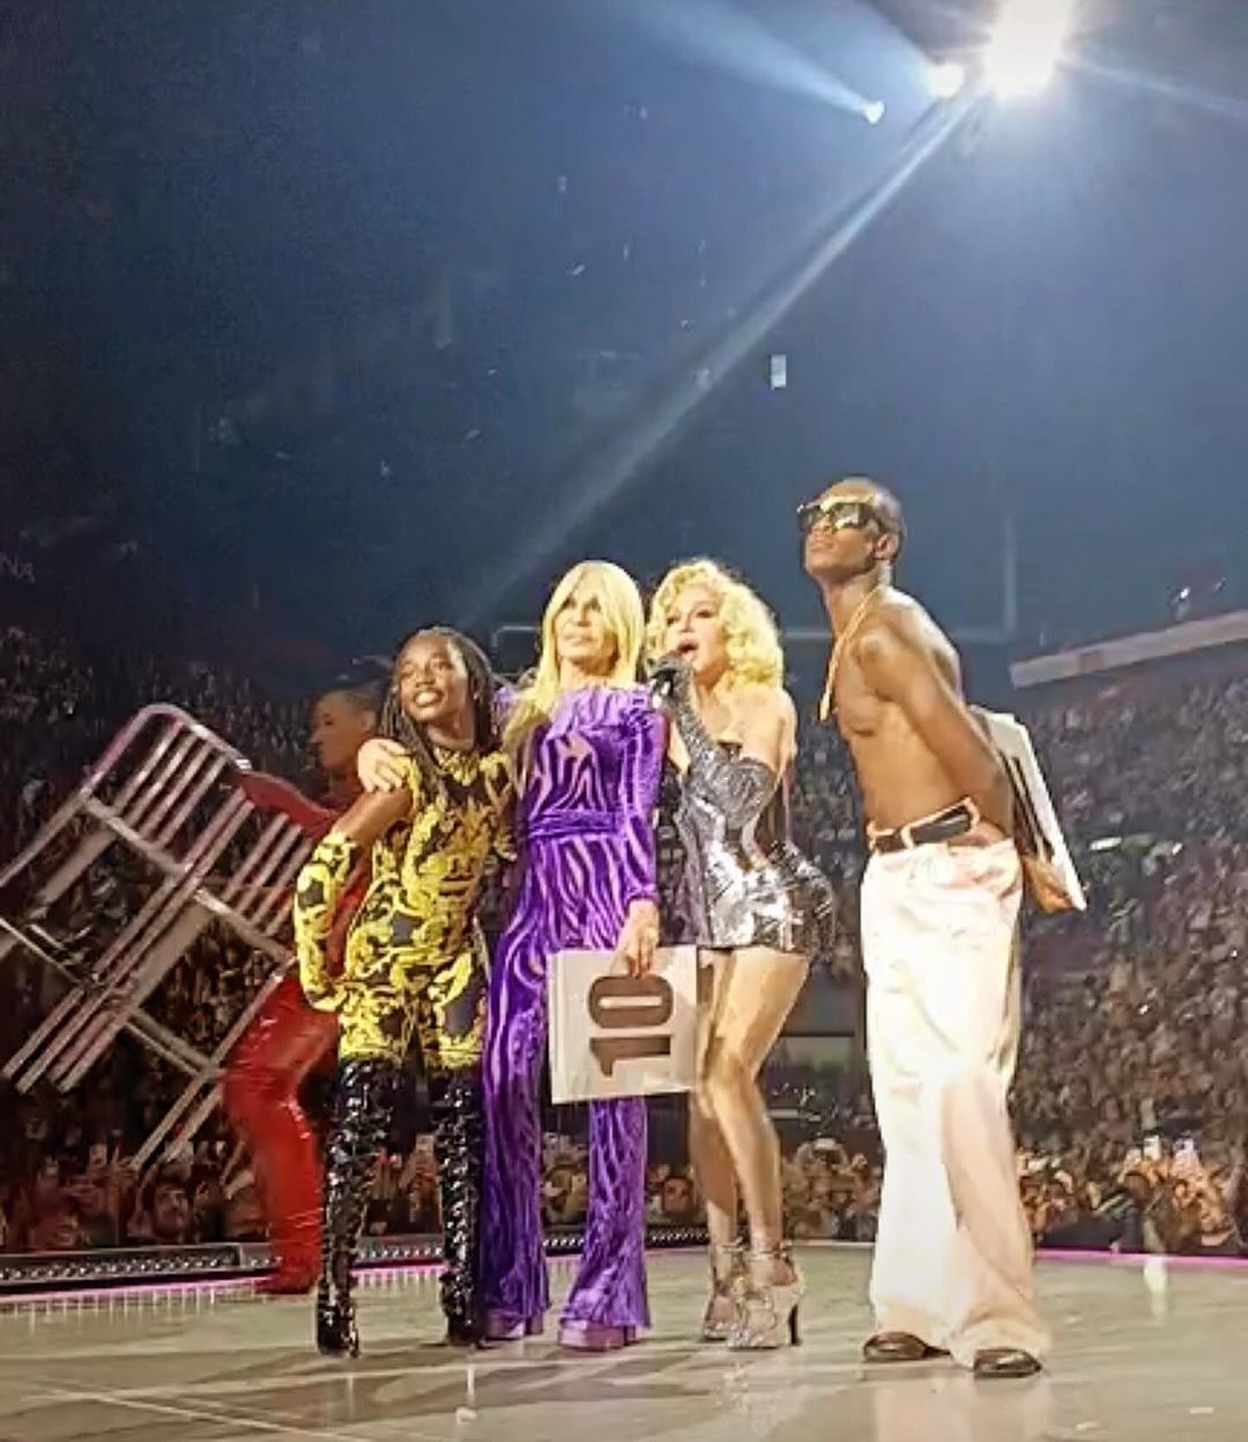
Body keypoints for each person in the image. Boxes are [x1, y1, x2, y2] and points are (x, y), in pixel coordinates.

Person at [359, 560, 665, 1351]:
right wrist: (375, 750)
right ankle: (511, 1280)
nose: (578, 619)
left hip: (607, 890)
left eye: (595, 608)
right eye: (568, 605)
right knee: (500, 1079)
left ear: (622, 623)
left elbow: (636, 810)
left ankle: (608, 1294)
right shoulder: (514, 706)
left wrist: (641, 903)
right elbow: (440, 734)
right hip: (533, 896)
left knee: (614, 1100)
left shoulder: (637, 709)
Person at [801, 476, 1049, 1379]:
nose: (825, 527)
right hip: (896, 869)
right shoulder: (855, 633)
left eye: (850, 517)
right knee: (905, 1093)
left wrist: (1004, 858)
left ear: (885, 543)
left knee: (960, 1086)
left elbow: (976, 758)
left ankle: (999, 1317)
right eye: (816, 515)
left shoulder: (887, 631)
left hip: (949, 864)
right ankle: (914, 1305)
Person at [292, 629, 511, 1356]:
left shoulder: (498, 771)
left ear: (472, 677)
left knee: (464, 1130)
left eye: (439, 665)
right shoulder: (404, 776)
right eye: (409, 670)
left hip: (454, 958)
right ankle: (335, 1293)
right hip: (385, 959)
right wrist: (314, 964)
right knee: (358, 1128)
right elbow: (325, 866)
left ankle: (463, 1292)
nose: (422, 678)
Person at [648, 559, 835, 1349]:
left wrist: (682, 716)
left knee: (728, 1071)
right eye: (671, 619)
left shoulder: (766, 702)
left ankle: (774, 1264)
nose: (682, 631)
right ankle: (723, 1273)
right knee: (699, 1093)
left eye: (699, 615)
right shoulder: (661, 714)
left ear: (733, 627)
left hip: (773, 901)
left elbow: (738, 801)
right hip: (706, 916)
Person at [222, 667, 383, 1294]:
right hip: (336, 954)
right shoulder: (357, 783)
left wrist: (283, 801)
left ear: (368, 723)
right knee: (258, 1087)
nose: (316, 737)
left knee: (258, 1085)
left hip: (347, 957)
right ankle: (301, 1251)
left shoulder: (389, 773)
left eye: (328, 722)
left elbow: (354, 843)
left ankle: (303, 1253)